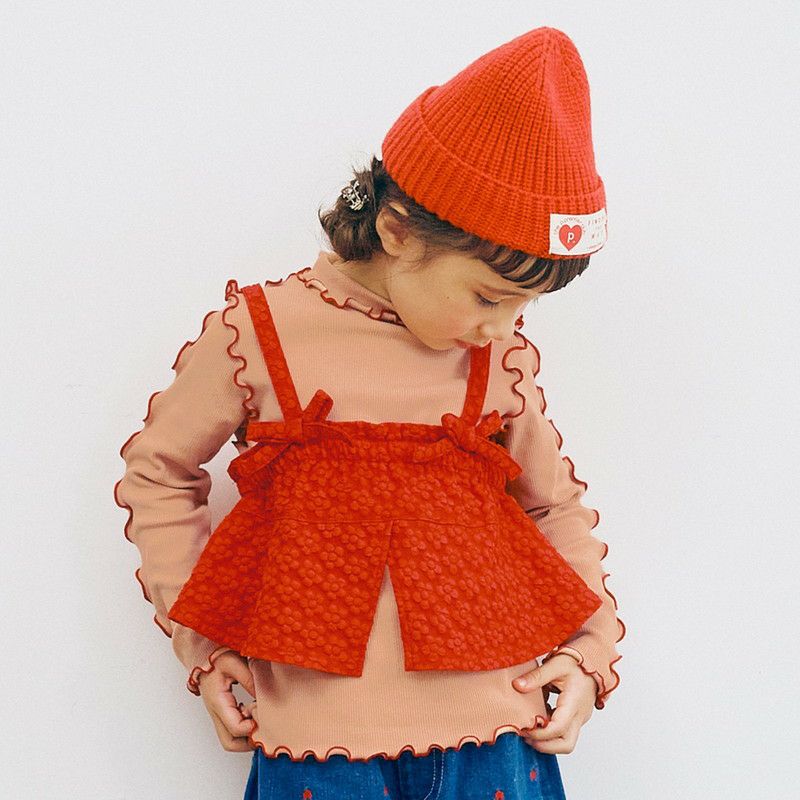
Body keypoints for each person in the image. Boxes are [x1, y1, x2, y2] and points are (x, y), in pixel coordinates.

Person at [115, 25, 625, 799]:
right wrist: (204, 649)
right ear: (395, 229)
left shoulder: (496, 360)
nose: (502, 327)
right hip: (317, 744)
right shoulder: (261, 335)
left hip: (496, 731)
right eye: (488, 296)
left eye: (525, 306)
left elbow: (553, 505)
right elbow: (159, 471)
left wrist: (589, 653)